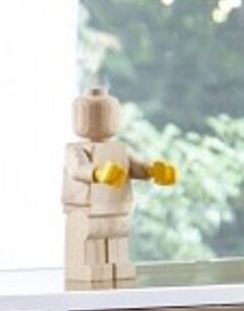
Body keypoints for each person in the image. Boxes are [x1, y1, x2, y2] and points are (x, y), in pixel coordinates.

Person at [62, 85, 175, 287]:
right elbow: (78, 169)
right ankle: (87, 268)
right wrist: (97, 173)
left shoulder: (117, 149)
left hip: (115, 207)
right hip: (86, 208)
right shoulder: (75, 150)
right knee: (89, 238)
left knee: (116, 237)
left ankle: (118, 265)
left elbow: (133, 167)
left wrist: (152, 171)